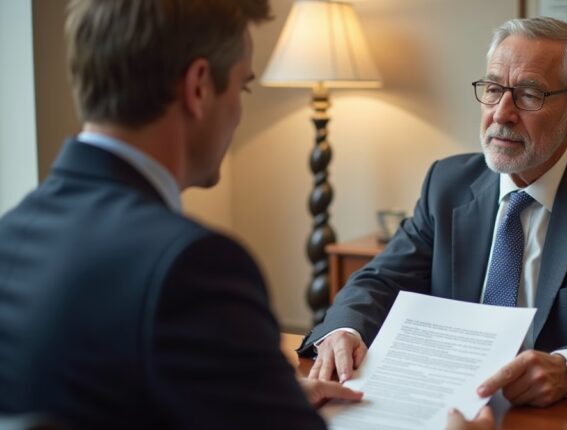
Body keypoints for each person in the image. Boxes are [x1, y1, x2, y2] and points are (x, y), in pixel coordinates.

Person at [300, 16, 567, 407]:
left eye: (529, 95)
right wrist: (345, 329)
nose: (501, 113)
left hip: (562, 414)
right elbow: (381, 279)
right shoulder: (448, 184)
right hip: (448, 404)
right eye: (493, 89)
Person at [0, 1, 366, 428]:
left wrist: (261, 394)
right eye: (243, 87)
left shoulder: (12, 233)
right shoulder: (192, 264)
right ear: (199, 87)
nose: (239, 112)